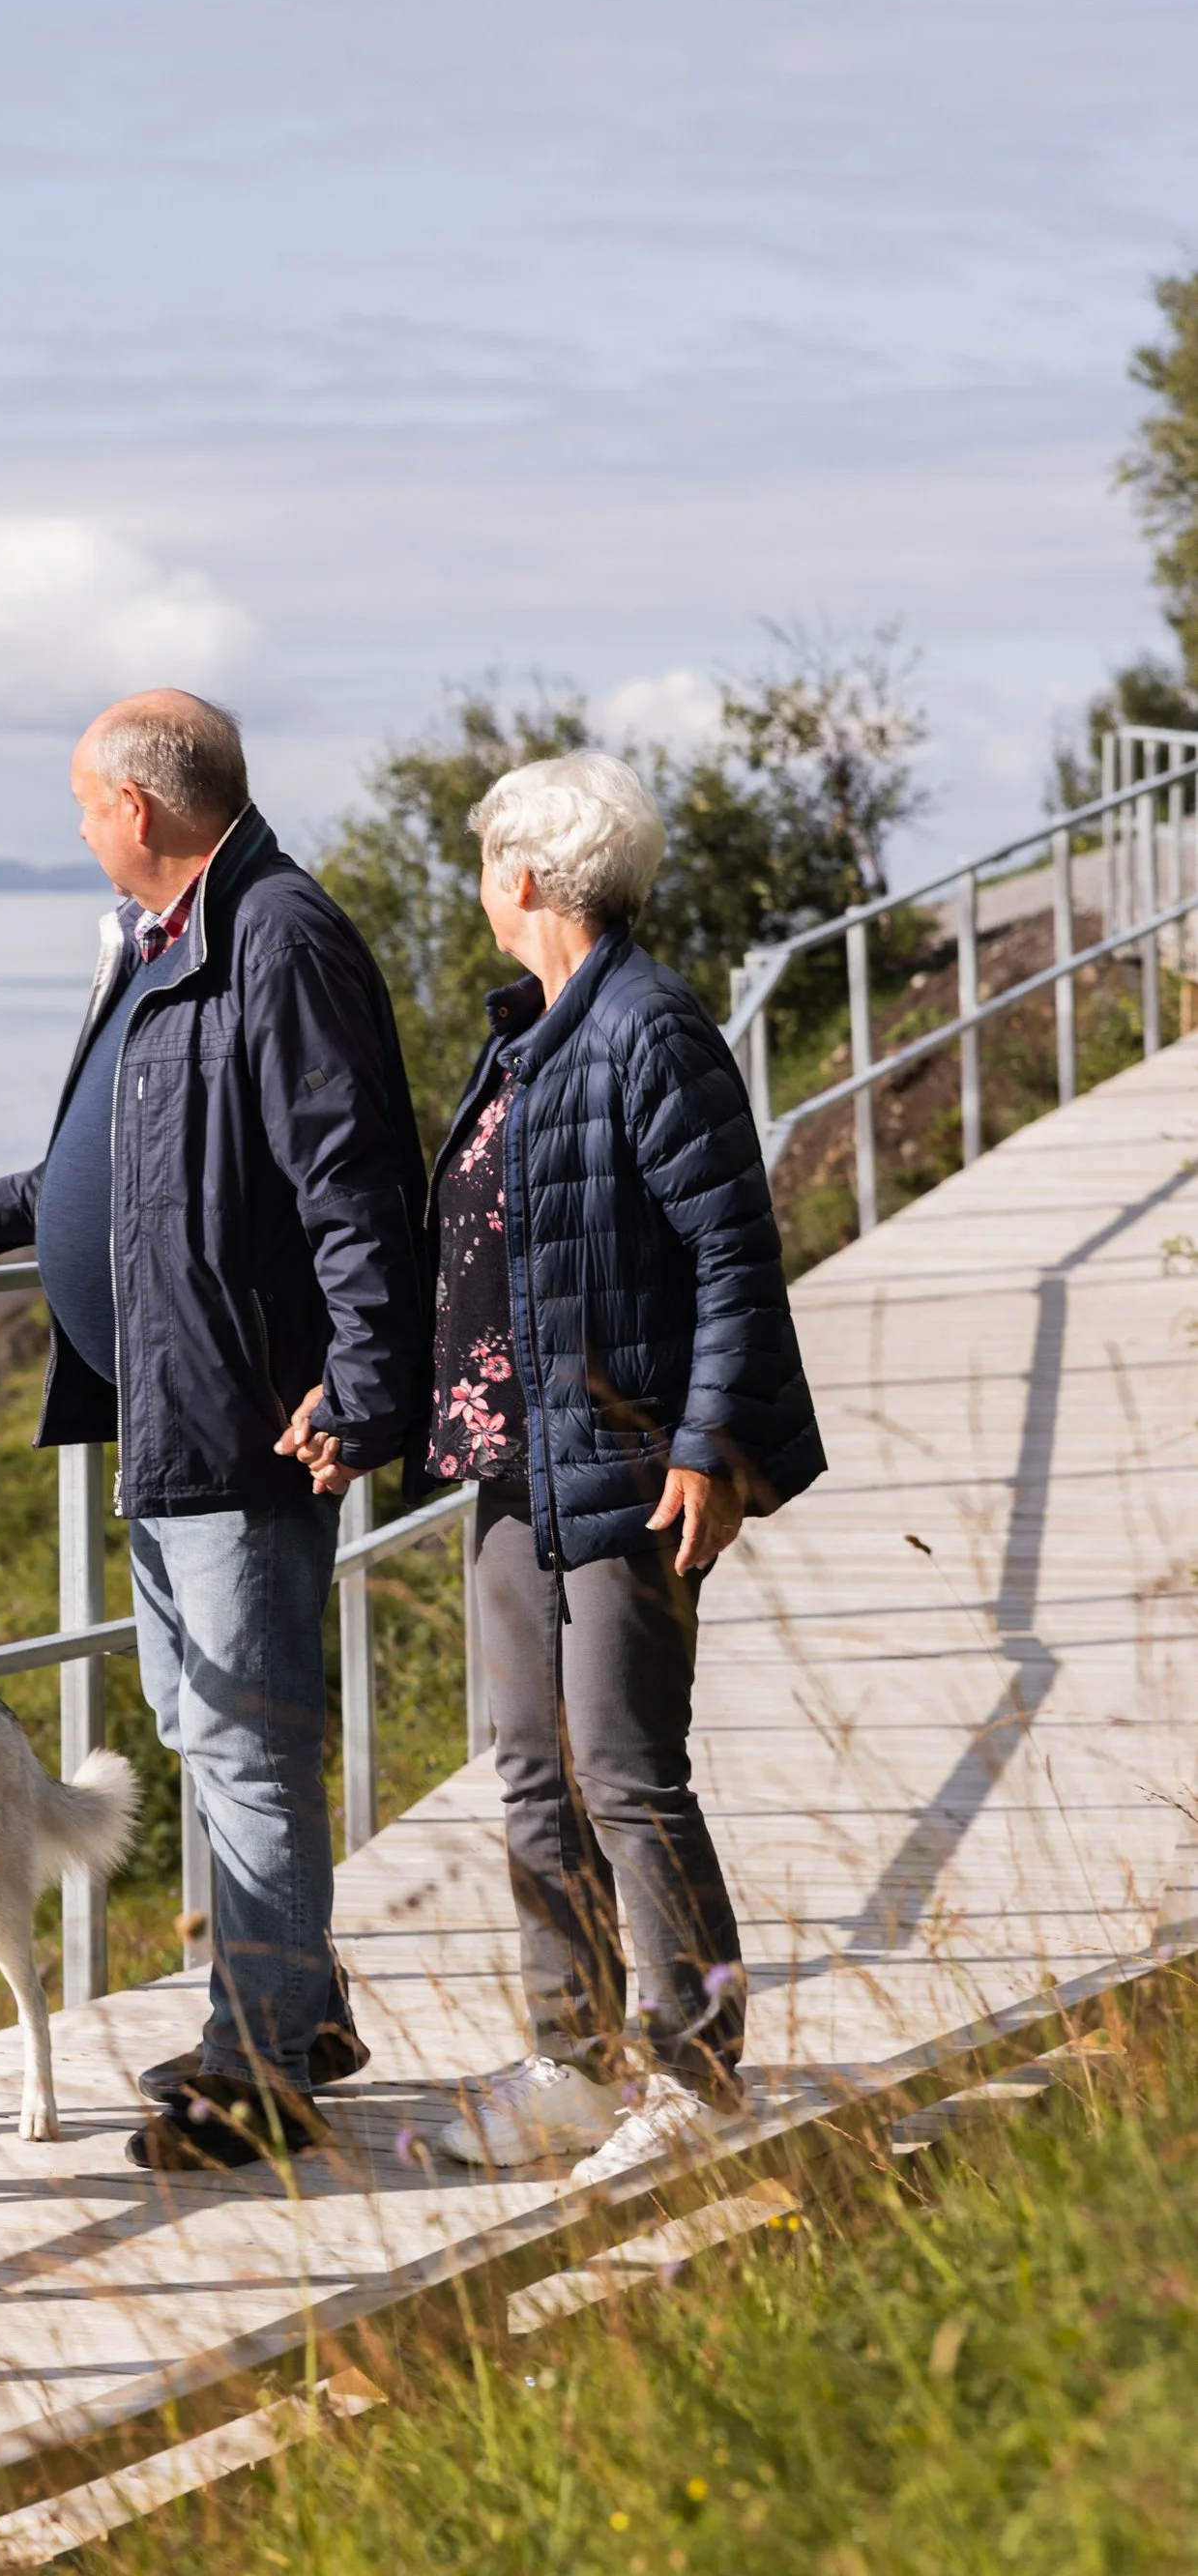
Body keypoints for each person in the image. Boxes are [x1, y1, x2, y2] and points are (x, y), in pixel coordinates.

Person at [0, 688, 428, 2174]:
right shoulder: (170, 940)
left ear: (135, 807)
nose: (78, 831)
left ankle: (259, 2076)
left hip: (245, 1415)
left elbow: (353, 1180)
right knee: (203, 1729)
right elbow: (134, 1159)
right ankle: (298, 2016)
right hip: (171, 1411)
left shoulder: (277, 937)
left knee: (248, 1747)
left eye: (84, 807)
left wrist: (364, 1379)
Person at [418, 749, 825, 2185]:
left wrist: (707, 1446)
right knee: (535, 1770)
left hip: (629, 1461)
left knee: (629, 1772)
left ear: (525, 876)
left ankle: (698, 2078)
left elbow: (735, 1253)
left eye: (487, 863)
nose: (482, 887)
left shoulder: (650, 1029)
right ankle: (574, 2068)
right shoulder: (534, 1030)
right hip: (516, 1461)